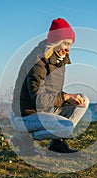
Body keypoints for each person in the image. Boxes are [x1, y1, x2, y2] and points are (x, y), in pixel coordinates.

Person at [11, 18, 89, 154]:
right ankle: (25, 138)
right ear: (55, 41)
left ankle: (57, 143)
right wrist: (65, 97)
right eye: (65, 44)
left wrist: (70, 98)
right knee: (67, 127)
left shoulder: (58, 59)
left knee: (83, 99)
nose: (67, 49)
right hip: (26, 116)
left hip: (45, 111)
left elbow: (51, 92)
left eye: (70, 45)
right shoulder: (38, 61)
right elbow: (39, 101)